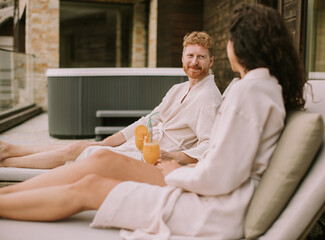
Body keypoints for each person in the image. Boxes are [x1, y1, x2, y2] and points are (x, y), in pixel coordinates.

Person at [0, 3, 307, 239]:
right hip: (212, 192)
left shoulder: (251, 92)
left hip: (214, 209)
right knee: (100, 160)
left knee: (89, 187)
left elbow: (220, 176)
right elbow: (223, 160)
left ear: (240, 45)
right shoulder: (258, 87)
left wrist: (176, 171)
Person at [0, 31, 222, 169]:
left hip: (153, 159)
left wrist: (172, 156)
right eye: (190, 56)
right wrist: (108, 141)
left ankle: (8, 159)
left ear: (210, 61)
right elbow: (149, 120)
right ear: (182, 58)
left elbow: (208, 145)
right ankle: (10, 150)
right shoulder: (179, 88)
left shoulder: (209, 98)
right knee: (80, 146)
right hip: (143, 147)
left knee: (75, 151)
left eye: (200, 57)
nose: (194, 62)